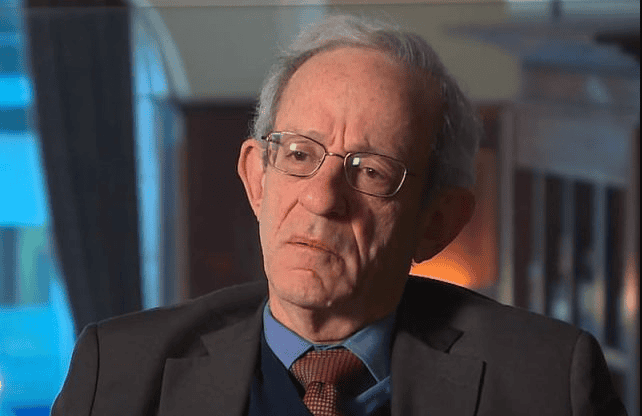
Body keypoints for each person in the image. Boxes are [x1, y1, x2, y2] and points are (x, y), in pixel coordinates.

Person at [52, 14, 626, 416]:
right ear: (257, 179)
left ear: (438, 222)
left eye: (371, 171)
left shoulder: (548, 384)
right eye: (299, 155)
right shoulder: (118, 373)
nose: (322, 199)